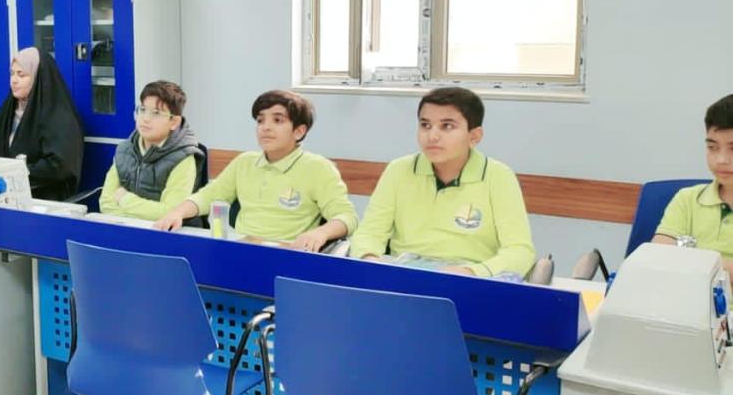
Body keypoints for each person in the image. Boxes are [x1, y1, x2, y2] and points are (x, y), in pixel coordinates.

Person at [349, 87, 535, 277]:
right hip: (403, 277)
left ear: (474, 136)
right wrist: (370, 260)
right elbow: (369, 233)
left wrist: (471, 272)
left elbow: (519, 251)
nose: (432, 136)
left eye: (447, 126)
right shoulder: (399, 170)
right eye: (425, 125)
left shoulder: (498, 176)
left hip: (468, 280)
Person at [155, 89, 356, 252]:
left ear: (299, 131)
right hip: (241, 250)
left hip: (288, 255)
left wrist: (320, 233)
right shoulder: (244, 162)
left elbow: (347, 217)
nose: (265, 127)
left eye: (277, 120)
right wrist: (178, 213)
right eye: (260, 120)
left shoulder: (318, 168)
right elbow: (209, 195)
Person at [0, 47, 84, 200]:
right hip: (2, 194)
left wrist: (17, 172)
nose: (14, 80)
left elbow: (60, 166)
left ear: (37, 77)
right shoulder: (8, 112)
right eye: (12, 73)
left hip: (42, 197)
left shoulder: (59, 117)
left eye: (21, 75)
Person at [652, 94, 733, 280]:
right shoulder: (687, 199)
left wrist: (691, 259)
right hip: (684, 296)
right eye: (712, 147)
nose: (721, 160)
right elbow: (659, 255)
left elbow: (674, 260)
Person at [100, 80, 202, 221]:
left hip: (169, 232)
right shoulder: (124, 150)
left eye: (156, 113)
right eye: (142, 110)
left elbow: (171, 213)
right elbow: (105, 202)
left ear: (174, 122)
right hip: (125, 229)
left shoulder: (183, 158)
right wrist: (132, 220)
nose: (145, 119)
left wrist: (125, 199)